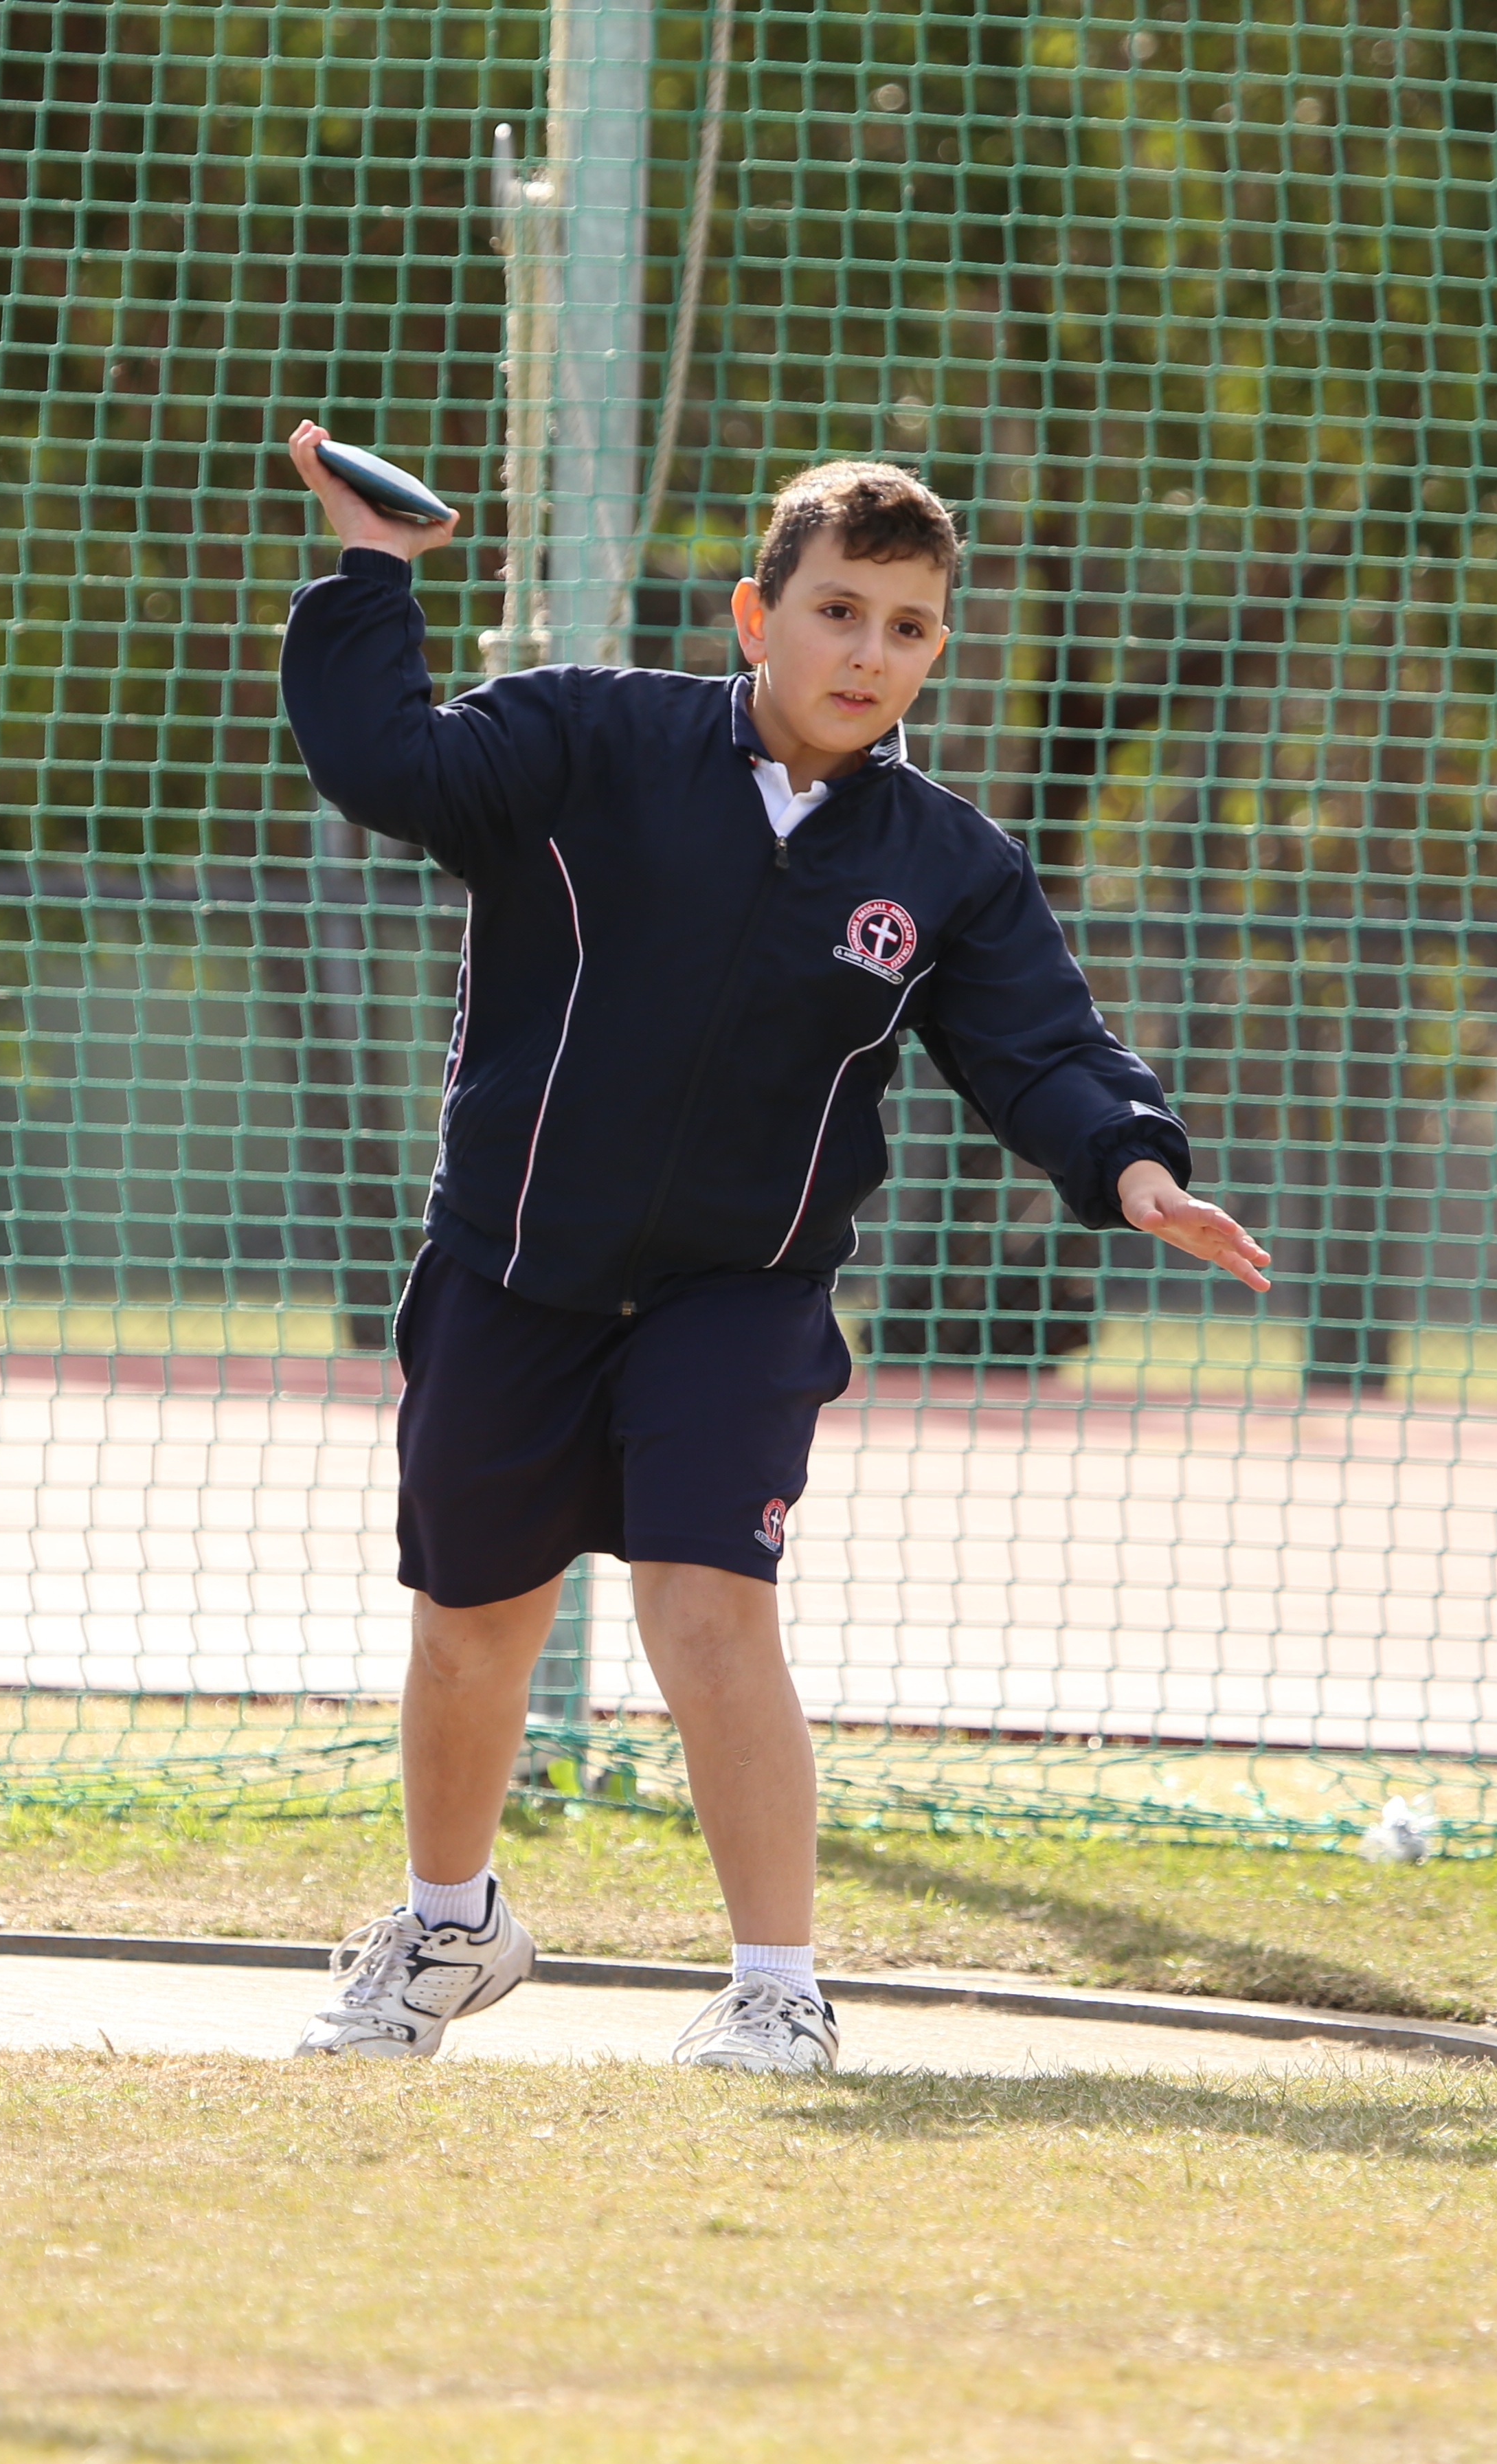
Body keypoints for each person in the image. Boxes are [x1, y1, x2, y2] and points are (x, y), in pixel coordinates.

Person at [275, 421, 1269, 2072]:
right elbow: (390, 766)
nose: (869, 653)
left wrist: (1132, 1163)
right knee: (470, 1621)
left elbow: (1043, 1046)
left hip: (740, 1293)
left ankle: (777, 1993)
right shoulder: (585, 739)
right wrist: (373, 571)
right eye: (838, 611)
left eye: (909, 628)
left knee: (712, 1608)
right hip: (511, 1265)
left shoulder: (945, 866)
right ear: (757, 615)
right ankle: (450, 1930)